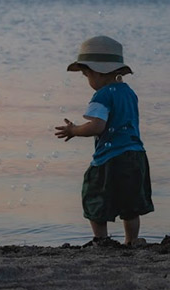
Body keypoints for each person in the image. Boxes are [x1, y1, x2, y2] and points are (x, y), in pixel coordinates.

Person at [55, 35, 154, 246]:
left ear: (97, 72)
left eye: (86, 75)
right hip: (136, 155)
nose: (87, 80)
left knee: (94, 195)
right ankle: (132, 240)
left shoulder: (101, 96)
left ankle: (101, 240)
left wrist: (73, 130)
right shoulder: (129, 92)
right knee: (130, 203)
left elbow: (97, 126)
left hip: (109, 158)